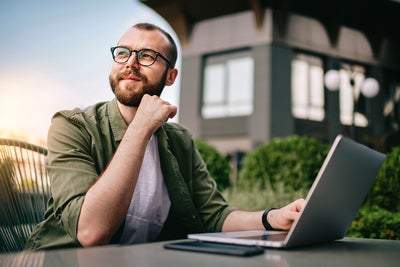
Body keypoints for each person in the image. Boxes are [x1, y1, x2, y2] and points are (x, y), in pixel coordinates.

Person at [24, 22, 305, 250]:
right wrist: (140, 127)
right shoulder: (72, 125)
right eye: (123, 52)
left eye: (147, 56)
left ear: (171, 76)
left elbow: (214, 215)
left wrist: (273, 218)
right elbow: (90, 232)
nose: (131, 63)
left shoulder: (179, 140)